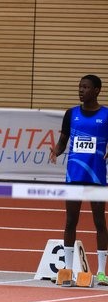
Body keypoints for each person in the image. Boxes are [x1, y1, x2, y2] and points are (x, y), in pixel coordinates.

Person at [49, 74, 108, 286]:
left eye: (86, 87)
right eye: (80, 87)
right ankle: (67, 270)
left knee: (100, 222)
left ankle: (102, 273)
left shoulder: (106, 115)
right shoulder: (71, 114)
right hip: (74, 176)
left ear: (97, 90)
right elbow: (63, 140)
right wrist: (56, 151)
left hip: (96, 176)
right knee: (70, 221)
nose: (81, 90)